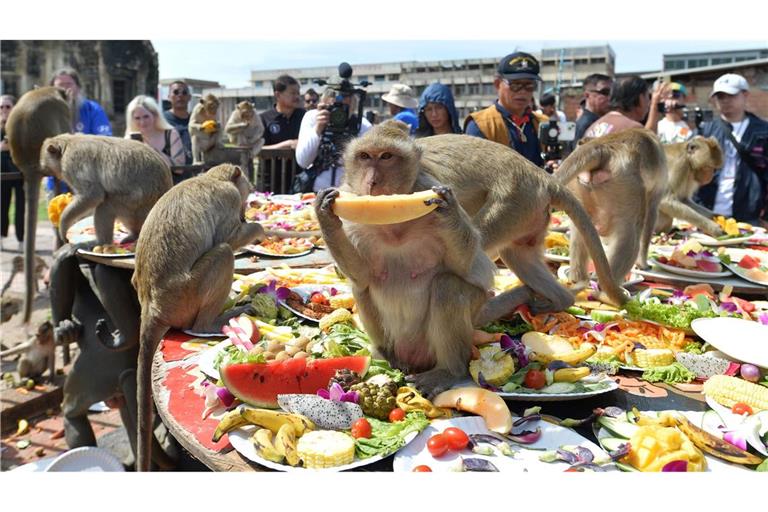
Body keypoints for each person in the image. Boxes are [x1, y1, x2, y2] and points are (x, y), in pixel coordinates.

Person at [694, 73, 768, 224]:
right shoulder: (705, 130)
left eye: (731, 95)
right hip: (706, 212)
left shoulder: (763, 131)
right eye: (720, 96)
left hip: (749, 213)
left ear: (745, 94)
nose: (725, 100)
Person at [465, 52, 544, 167]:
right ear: (497, 84)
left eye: (529, 85)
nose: (523, 92)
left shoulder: (542, 122)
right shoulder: (481, 124)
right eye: (515, 85)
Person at [45, 67, 113, 197]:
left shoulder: (93, 110)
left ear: (78, 87)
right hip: (56, 182)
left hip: (89, 180)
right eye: (60, 86)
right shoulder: (46, 113)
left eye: (69, 84)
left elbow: (104, 142)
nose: (65, 89)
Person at [295, 84, 372, 192]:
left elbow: (368, 167)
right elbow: (303, 161)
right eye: (332, 95)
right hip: (315, 191)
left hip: (347, 193)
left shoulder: (361, 125)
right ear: (324, 100)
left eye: (345, 96)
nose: (339, 101)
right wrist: (318, 129)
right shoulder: (313, 117)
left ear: (353, 101)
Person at [584, 75, 670, 138]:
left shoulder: (592, 128)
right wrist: (655, 106)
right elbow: (650, 147)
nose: (648, 102)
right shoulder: (632, 129)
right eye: (648, 96)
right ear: (640, 98)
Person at [125, 95, 186, 174]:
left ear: (155, 115)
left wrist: (151, 150)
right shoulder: (128, 139)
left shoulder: (170, 134)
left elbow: (179, 169)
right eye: (137, 118)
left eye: (146, 117)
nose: (142, 122)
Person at [1, 94, 24, 248]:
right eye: (1, 107)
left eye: (7, 106)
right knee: (2, 205)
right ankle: (1, 237)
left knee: (21, 208)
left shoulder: (21, 126)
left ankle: (21, 240)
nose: (4, 110)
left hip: (20, 171)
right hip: (2, 172)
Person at [260, 75, 305, 151]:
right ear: (278, 95)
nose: (297, 97)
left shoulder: (304, 116)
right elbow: (257, 149)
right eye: (293, 93)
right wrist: (287, 145)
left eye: (298, 93)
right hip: (272, 163)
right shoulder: (263, 119)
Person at [574, 73, 613, 142]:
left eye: (612, 93)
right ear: (587, 95)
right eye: (605, 92)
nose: (610, 97)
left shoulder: (601, 121)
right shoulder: (585, 125)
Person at [162, 80, 193, 164]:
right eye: (176, 92)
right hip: (172, 173)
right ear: (168, 97)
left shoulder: (196, 120)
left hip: (197, 172)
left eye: (184, 92)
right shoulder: (161, 120)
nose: (180, 95)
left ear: (189, 97)